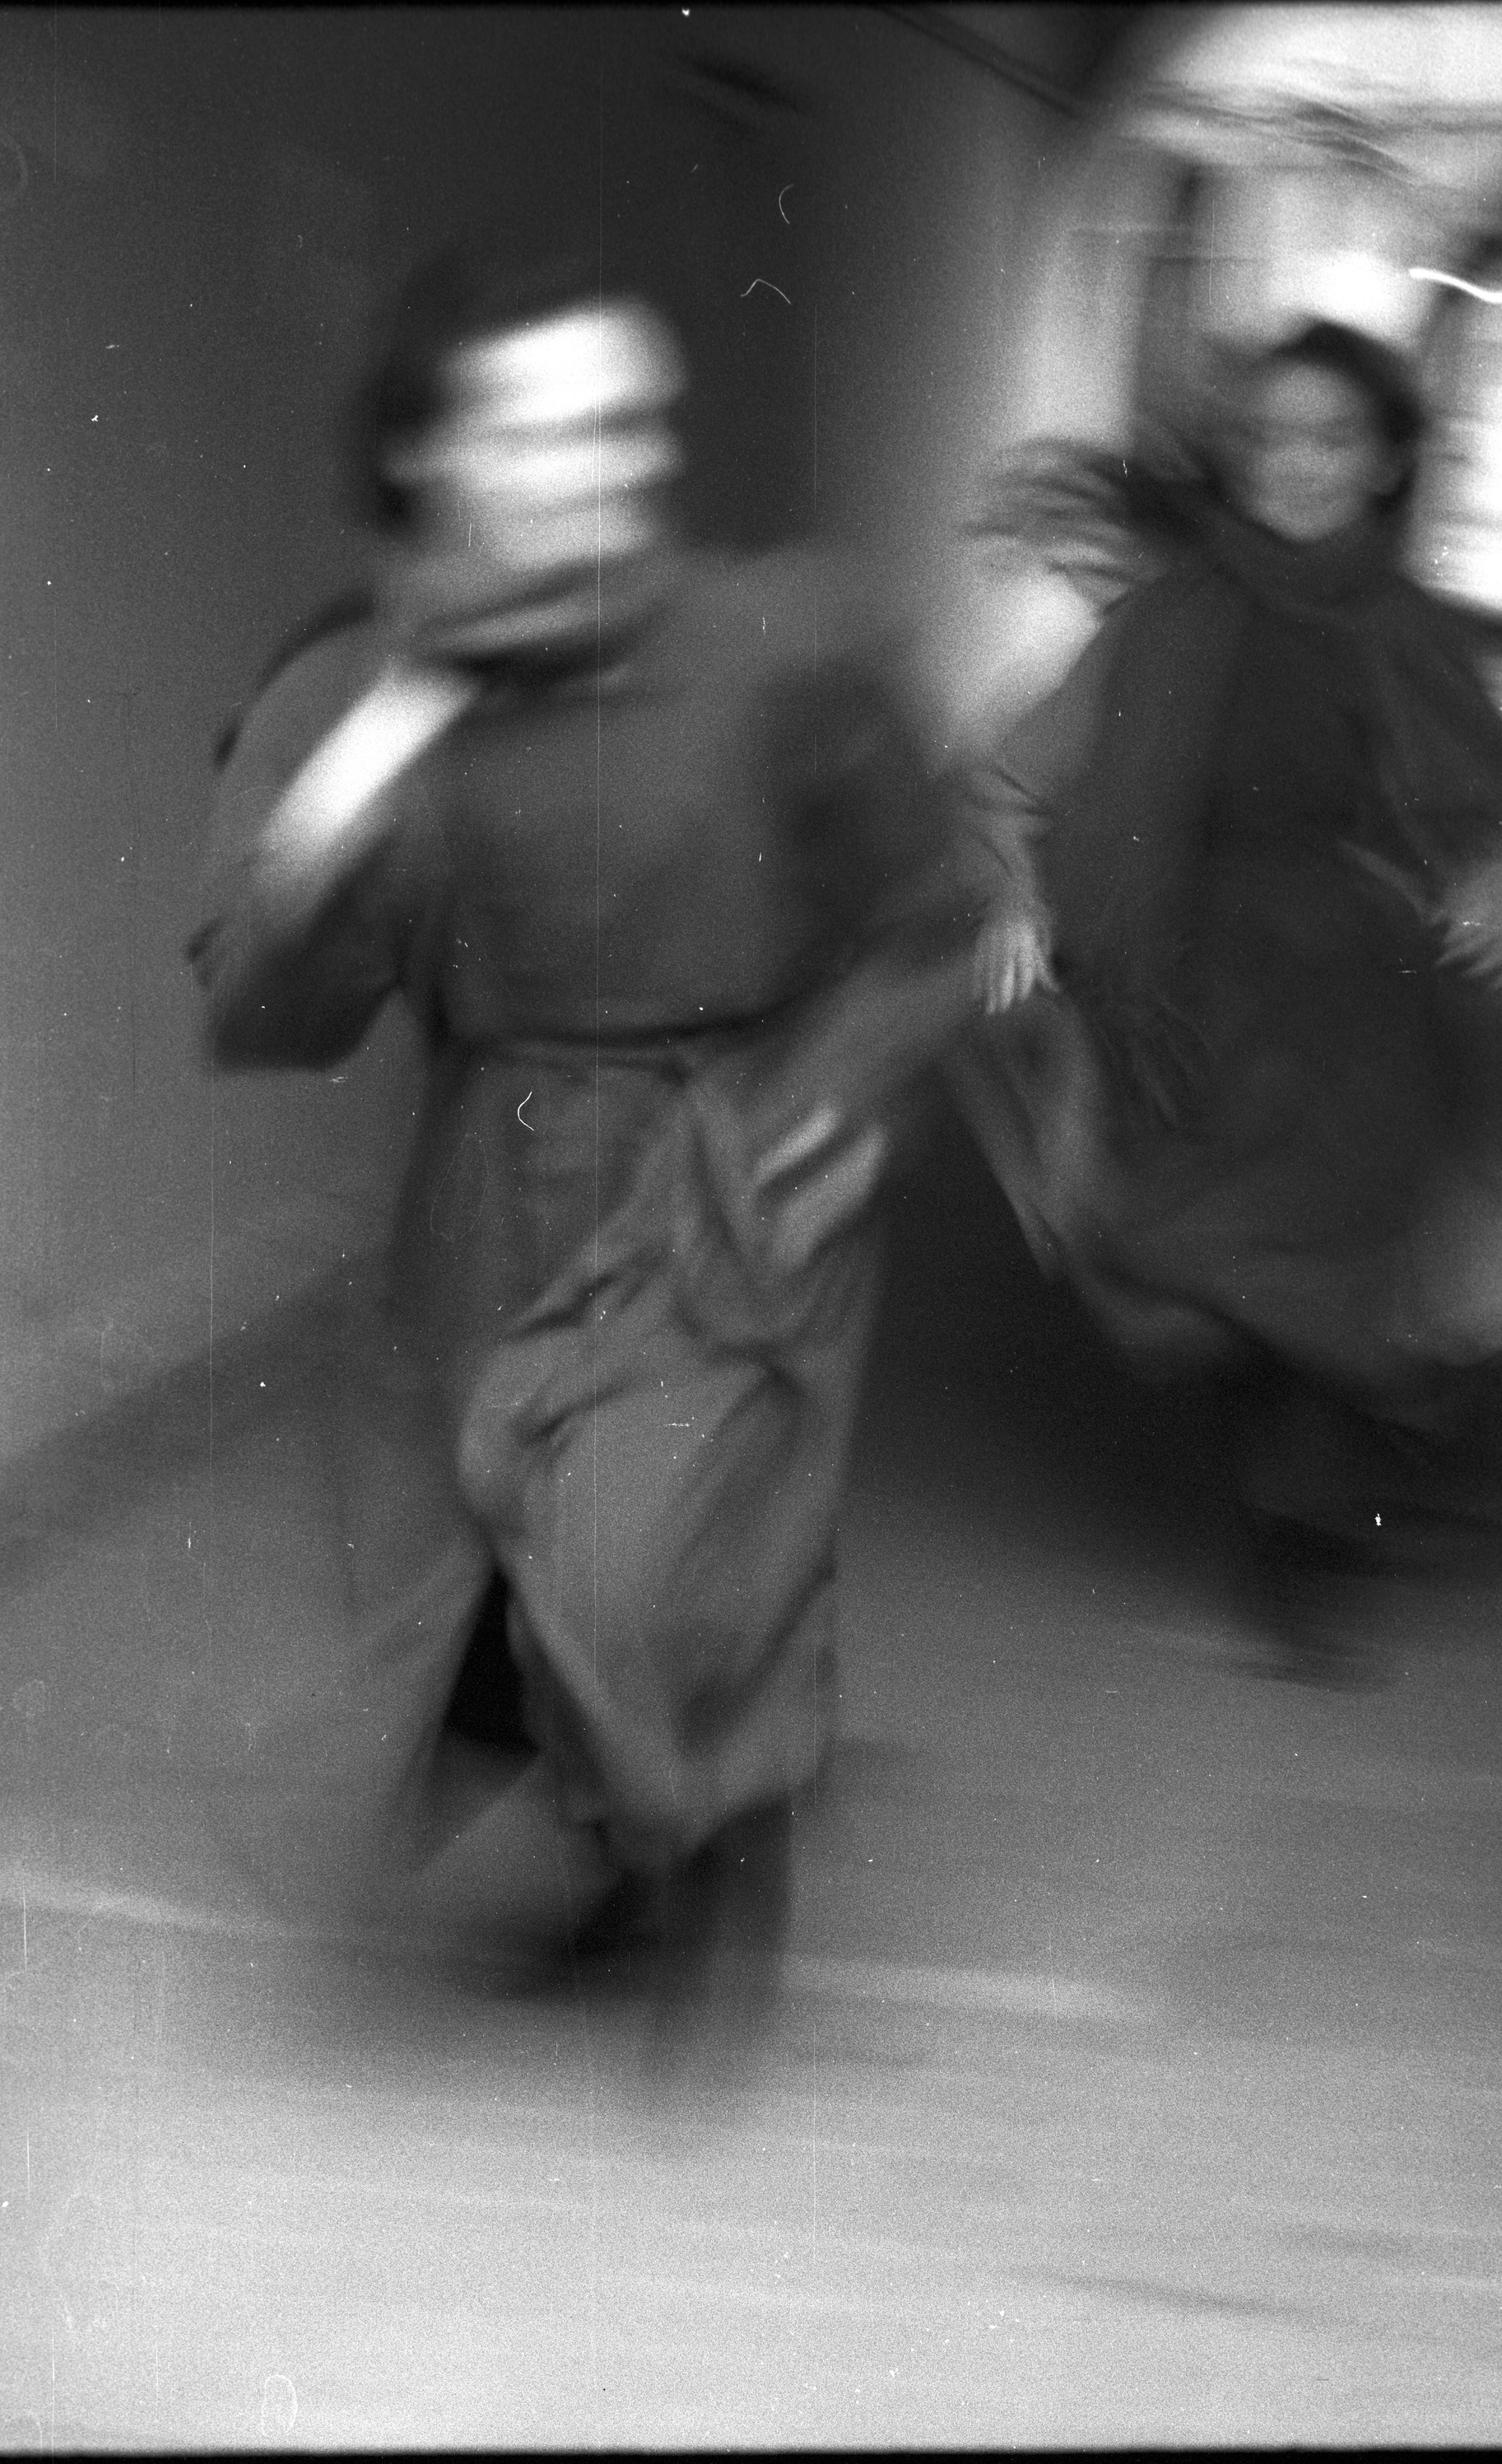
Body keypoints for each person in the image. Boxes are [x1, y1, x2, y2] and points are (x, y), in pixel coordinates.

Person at [188, 238, 974, 2041]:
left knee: (651, 1541)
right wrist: (357, 783)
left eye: (628, 423)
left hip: (738, 1151)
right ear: (429, 454)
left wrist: (840, 1103)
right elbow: (273, 1014)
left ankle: (722, 1833)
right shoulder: (350, 690)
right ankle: (650, 1851)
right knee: (501, 1548)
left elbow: (931, 920)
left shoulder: (787, 640)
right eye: (544, 431)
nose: (611, 467)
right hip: (497, 1161)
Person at [951, 319, 1502, 1682]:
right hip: (1177, 991)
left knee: (1332, 1258)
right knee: (1195, 1252)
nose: (1297, 463)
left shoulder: (1410, 633)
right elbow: (1014, 776)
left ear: (1389, 460)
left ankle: (1302, 1547)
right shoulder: (1163, 621)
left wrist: (1493, 879)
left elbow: (1492, 815)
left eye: (1332, 438)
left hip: (1356, 1002)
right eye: (1272, 436)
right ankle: (1327, 1484)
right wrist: (1020, 896)